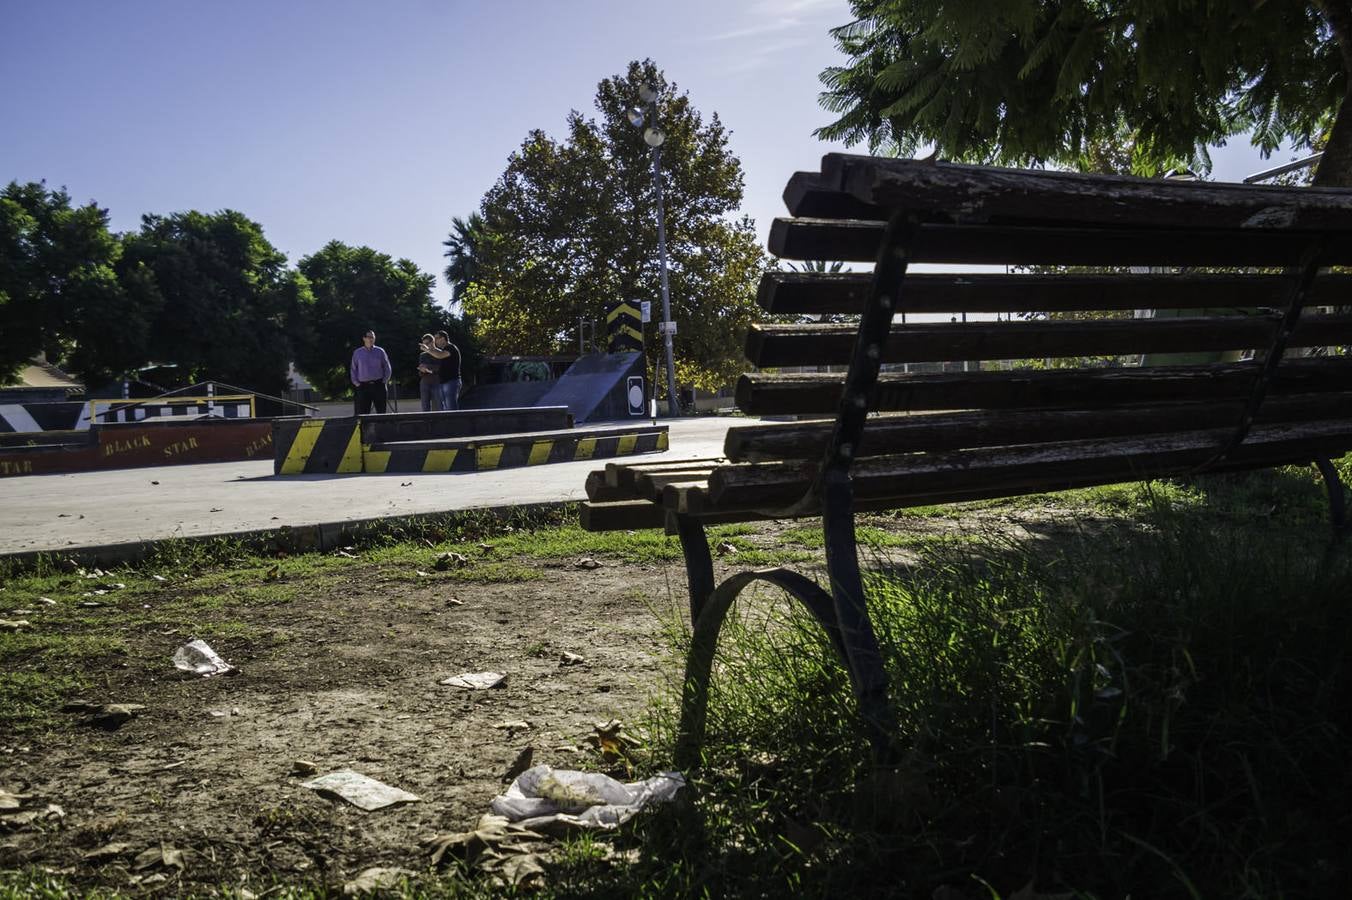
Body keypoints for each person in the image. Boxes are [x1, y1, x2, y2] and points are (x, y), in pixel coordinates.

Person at [350, 329, 392, 414]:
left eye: (373, 337)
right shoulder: (357, 353)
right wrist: (357, 384)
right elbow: (353, 369)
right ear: (364, 338)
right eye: (369, 337)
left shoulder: (380, 351)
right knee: (363, 414)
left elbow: (387, 367)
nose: (371, 339)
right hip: (363, 386)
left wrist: (384, 381)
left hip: (379, 385)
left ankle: (381, 424)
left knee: (381, 413)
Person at [424, 330, 462, 411]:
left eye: (436, 338)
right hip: (444, 382)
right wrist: (429, 348)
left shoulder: (451, 348)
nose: (435, 341)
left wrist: (427, 350)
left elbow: (439, 355)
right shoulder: (445, 349)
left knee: (451, 409)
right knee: (446, 409)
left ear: (443, 338)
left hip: (451, 381)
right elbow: (437, 352)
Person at [416, 333, 442, 412]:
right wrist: (422, 370)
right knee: (425, 406)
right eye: (424, 344)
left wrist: (428, 368)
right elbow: (420, 369)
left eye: (427, 344)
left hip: (437, 381)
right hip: (425, 381)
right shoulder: (422, 355)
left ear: (433, 342)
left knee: (439, 405)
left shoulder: (440, 353)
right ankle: (426, 420)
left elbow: (440, 368)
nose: (425, 346)